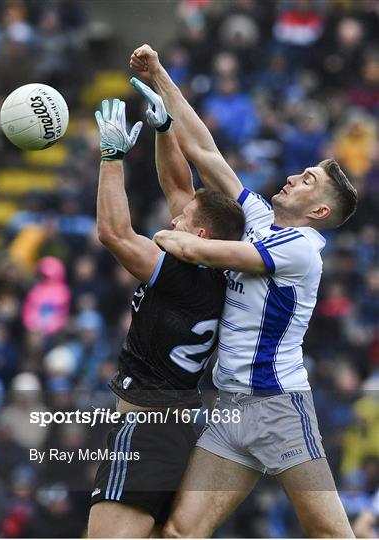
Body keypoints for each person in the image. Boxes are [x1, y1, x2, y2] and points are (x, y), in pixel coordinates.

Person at [129, 44, 358, 538]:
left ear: (319, 211)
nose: (295, 176)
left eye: (308, 180)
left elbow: (204, 253)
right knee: (178, 533)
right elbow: (204, 150)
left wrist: (169, 237)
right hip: (232, 405)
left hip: (278, 405)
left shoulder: (302, 250)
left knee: (330, 533)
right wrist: (160, 75)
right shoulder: (260, 217)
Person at [87, 98, 245, 537]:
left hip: (144, 426)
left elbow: (113, 232)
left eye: (184, 220)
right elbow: (182, 190)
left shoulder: (178, 273)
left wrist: (111, 157)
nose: (173, 217)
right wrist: (164, 130)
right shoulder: (217, 273)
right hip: (178, 429)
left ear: (200, 236)